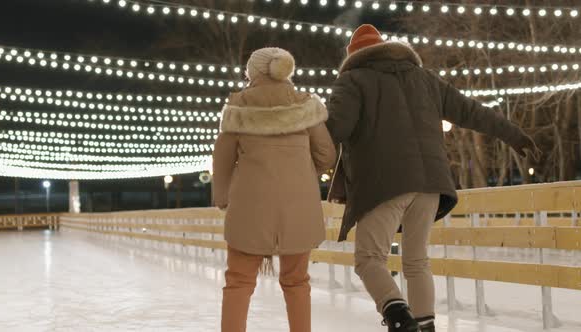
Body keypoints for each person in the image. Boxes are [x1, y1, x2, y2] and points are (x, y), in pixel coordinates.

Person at [326, 25, 540, 332]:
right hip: (431, 185)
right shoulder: (424, 79)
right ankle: (424, 326)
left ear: (353, 56)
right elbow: (471, 110)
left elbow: (337, 129)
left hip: (383, 183)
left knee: (369, 259)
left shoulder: (352, 79)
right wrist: (514, 135)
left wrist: (303, 133)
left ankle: (398, 315)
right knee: (416, 261)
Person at [213, 47, 337, 332]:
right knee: (297, 282)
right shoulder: (305, 105)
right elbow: (326, 155)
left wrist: (222, 197)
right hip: (298, 209)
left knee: (239, 282)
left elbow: (222, 160)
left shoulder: (238, 108)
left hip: (248, 209)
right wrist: (303, 176)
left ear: (253, 72)